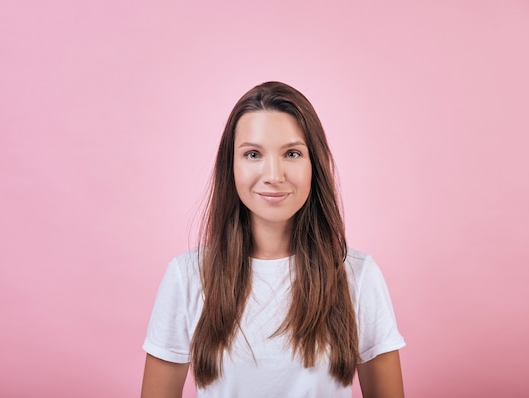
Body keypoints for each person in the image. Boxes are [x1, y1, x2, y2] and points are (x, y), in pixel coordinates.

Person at [141, 81, 406, 398]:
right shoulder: (187, 276)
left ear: (314, 165)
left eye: (292, 153)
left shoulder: (358, 276)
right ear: (231, 166)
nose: (273, 175)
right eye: (253, 154)